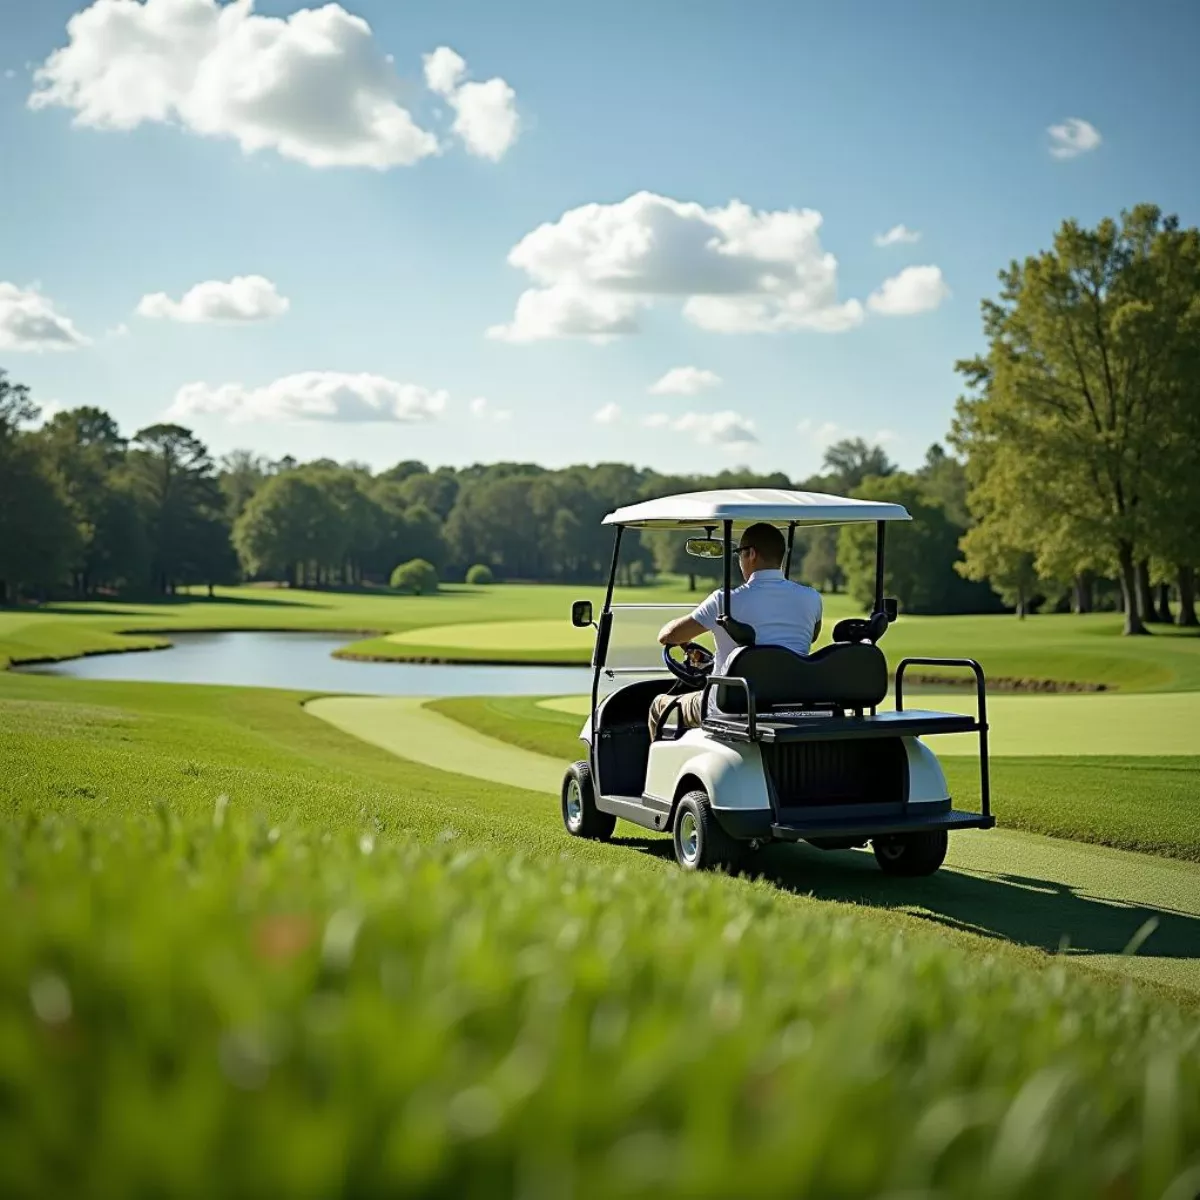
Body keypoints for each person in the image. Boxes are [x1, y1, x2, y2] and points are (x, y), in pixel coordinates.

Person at [648, 523, 822, 736]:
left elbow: (668, 636)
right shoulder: (812, 598)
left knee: (659, 705)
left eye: (739, 554)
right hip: (790, 705)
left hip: (726, 708)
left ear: (752, 554)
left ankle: (660, 769)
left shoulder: (724, 601)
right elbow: (812, 636)